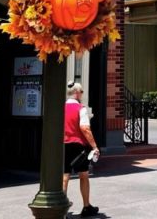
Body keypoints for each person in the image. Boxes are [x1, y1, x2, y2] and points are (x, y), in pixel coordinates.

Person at [63, 82, 100, 217]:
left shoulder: (60, 107)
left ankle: (62, 210)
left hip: (63, 144)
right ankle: (86, 206)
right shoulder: (81, 108)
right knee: (83, 175)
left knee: (64, 176)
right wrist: (94, 146)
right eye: (82, 91)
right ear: (77, 92)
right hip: (78, 145)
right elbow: (85, 128)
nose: (82, 94)